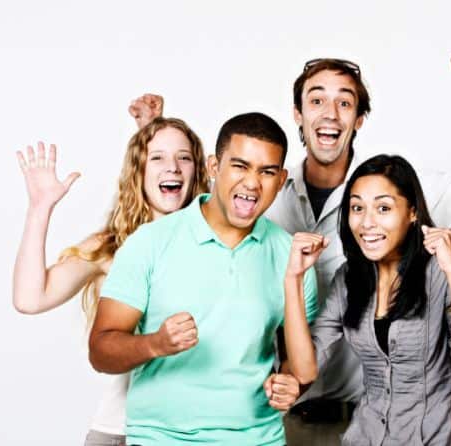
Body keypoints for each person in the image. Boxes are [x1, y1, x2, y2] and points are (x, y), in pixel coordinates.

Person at [129, 52, 451, 444]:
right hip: (279, 415)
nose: (331, 112)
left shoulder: (392, 189)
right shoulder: (260, 194)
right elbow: (182, 221)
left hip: (368, 416)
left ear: (359, 119)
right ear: (298, 114)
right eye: (317, 100)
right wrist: (153, 134)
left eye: (345, 102)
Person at [88, 112, 319, 445]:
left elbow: (298, 367)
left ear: (281, 180)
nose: (252, 183)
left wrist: (289, 386)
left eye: (266, 172)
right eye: (240, 166)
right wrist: (155, 343)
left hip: (257, 438)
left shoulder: (291, 255)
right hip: (161, 438)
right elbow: (101, 350)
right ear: (214, 167)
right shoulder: (150, 242)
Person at [13, 117, 210, 445]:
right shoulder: (111, 248)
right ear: (139, 171)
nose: (173, 167)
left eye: (184, 157)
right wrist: (39, 208)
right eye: (157, 157)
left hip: (196, 430)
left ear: (198, 171)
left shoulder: (216, 245)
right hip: (120, 429)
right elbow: (30, 299)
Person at [284, 154, 451, 445]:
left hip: (432, 437)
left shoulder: (441, 270)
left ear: (412, 212)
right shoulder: (348, 278)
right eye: (357, 208)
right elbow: (306, 366)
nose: (367, 223)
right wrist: (293, 279)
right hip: (365, 436)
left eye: (383, 208)